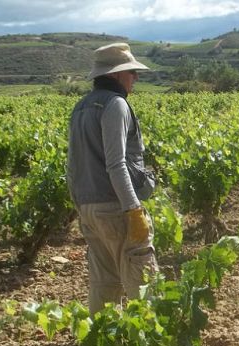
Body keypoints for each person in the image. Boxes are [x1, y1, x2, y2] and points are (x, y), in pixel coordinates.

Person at [67, 43, 157, 316]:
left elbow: (73, 164)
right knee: (141, 281)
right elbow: (116, 164)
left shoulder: (80, 107)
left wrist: (80, 207)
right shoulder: (115, 104)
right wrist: (133, 210)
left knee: (104, 284)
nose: (136, 78)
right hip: (116, 208)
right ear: (117, 75)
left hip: (88, 208)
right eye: (131, 72)